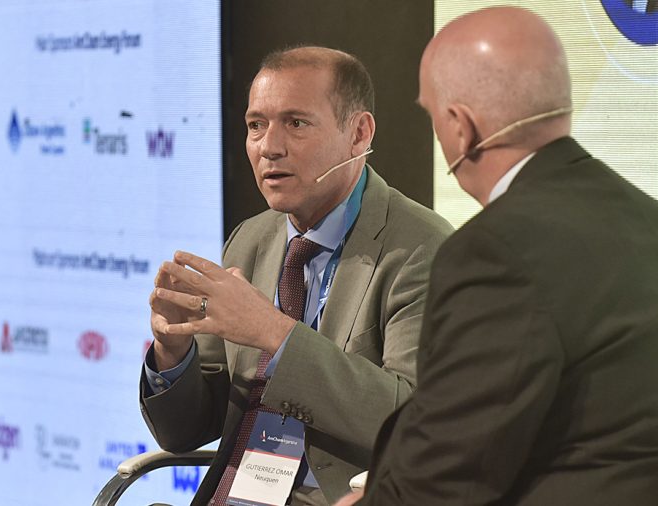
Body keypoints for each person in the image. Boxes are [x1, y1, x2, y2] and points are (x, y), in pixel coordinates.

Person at [352, 7, 658, 505]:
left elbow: (443, 479)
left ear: (460, 127)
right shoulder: (655, 219)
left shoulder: (494, 252)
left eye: (433, 115)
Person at [141, 46, 453, 506]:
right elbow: (184, 432)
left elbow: (415, 420)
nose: (269, 147)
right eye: (256, 125)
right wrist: (172, 352)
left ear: (359, 133)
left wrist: (274, 332)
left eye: (296, 123)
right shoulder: (251, 239)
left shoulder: (421, 249)